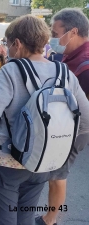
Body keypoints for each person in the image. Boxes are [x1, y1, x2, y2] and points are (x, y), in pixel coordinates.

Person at [0, 15, 89, 225]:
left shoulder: (11, 70)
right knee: (26, 215)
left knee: (4, 218)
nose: (7, 50)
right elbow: (86, 119)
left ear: (17, 43)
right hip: (41, 160)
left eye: (8, 45)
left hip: (4, 162)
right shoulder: (64, 72)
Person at [36, 8, 89, 225]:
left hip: (75, 130)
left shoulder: (85, 64)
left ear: (73, 32)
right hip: (65, 126)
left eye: (56, 34)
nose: (53, 39)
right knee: (54, 173)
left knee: (58, 175)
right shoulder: (70, 57)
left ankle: (50, 220)